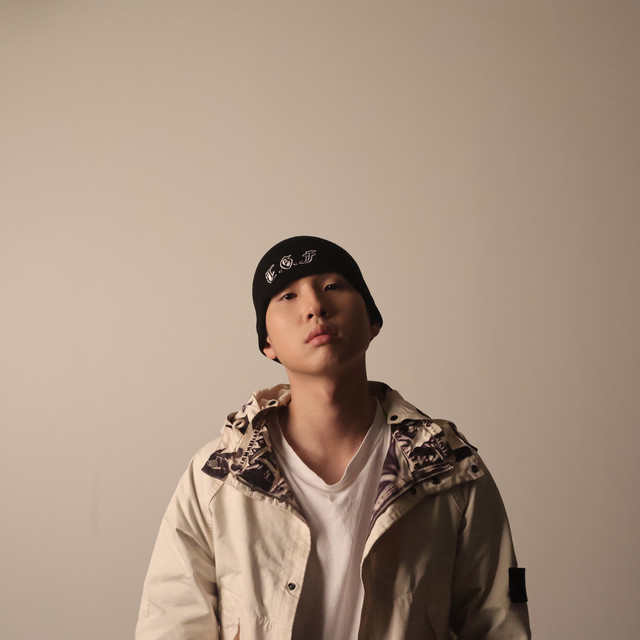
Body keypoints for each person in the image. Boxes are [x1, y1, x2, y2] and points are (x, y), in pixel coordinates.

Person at [136, 236, 531, 640]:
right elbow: (170, 626)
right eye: (288, 296)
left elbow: (498, 625)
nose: (314, 306)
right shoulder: (218, 478)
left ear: (372, 321)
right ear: (267, 343)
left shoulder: (448, 470)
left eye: (332, 286)